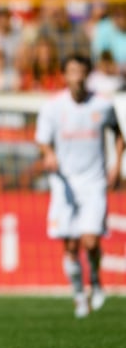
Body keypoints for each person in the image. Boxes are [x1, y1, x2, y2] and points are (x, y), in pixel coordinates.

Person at [35, 53, 124, 319]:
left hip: (94, 182)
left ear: (87, 75)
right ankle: (78, 296)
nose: (77, 76)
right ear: (65, 75)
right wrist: (48, 154)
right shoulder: (53, 107)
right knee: (71, 246)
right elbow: (41, 140)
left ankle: (95, 280)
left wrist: (117, 164)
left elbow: (119, 134)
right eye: (72, 71)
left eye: (81, 71)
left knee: (91, 239)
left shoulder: (102, 105)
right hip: (64, 184)